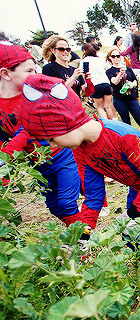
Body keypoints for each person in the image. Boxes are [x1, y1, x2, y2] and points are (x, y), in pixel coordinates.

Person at [17, 74, 140, 247]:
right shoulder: (80, 151)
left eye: (51, 139)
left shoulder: (122, 136)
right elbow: (94, 197)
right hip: (138, 187)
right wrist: (83, 234)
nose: (52, 146)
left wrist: (136, 210)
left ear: (65, 124)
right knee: (132, 236)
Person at [0, 42, 82, 228]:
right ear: (6, 74)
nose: (35, 75)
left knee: (67, 204)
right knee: (54, 206)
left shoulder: (35, 95)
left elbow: (25, 133)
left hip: (62, 157)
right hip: (38, 166)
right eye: (29, 71)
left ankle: (85, 240)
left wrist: (4, 161)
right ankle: (79, 231)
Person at [105, 48, 140, 146]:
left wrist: (132, 85)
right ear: (110, 58)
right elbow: (114, 82)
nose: (116, 58)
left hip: (132, 98)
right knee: (126, 121)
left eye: (118, 56)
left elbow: (134, 80)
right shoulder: (110, 71)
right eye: (113, 56)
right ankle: (131, 142)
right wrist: (120, 73)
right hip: (119, 100)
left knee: (139, 119)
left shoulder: (128, 68)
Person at [81, 43, 116, 119]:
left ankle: (107, 124)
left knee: (99, 107)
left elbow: (83, 73)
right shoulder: (99, 59)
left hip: (95, 84)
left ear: (84, 51)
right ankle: (112, 121)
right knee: (108, 106)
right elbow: (106, 68)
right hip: (106, 83)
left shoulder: (84, 61)